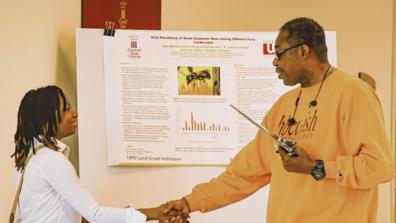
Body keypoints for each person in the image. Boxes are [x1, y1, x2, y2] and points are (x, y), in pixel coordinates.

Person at [162, 17, 394, 223]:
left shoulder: (354, 92)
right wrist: (190, 202)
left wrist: (315, 168)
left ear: (303, 51)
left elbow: (379, 168)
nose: (274, 62)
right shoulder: (283, 105)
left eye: (279, 53)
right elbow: (244, 174)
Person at [10, 85, 177, 223]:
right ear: (48, 118)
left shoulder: (29, 160)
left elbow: (78, 217)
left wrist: (131, 213)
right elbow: (96, 215)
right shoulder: (51, 160)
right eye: (66, 109)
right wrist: (156, 213)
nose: (74, 113)